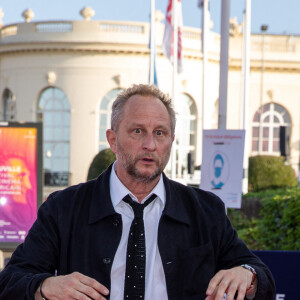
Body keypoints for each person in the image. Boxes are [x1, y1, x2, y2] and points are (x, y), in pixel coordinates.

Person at [0, 84, 275, 300]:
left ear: (171, 141)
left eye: (159, 133)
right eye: (137, 131)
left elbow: (260, 276)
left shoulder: (205, 210)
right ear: (112, 139)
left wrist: (247, 275)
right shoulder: (65, 207)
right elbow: (11, 280)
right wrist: (46, 286)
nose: (150, 145)